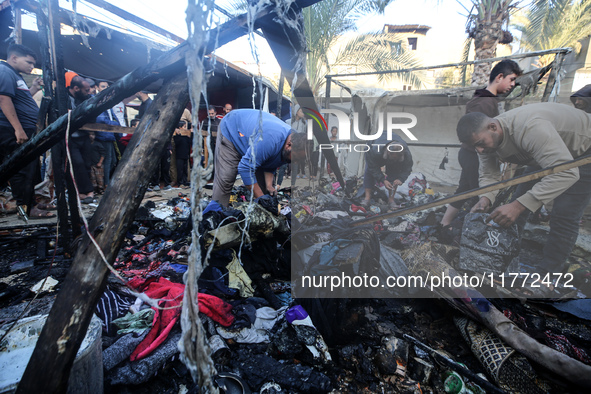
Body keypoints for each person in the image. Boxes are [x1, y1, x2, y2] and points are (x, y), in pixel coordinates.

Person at [456, 102, 591, 280]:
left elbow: (566, 173)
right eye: (476, 146)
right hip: (540, 155)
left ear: (493, 127)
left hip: (583, 152)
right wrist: (485, 198)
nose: (480, 150)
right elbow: (489, 174)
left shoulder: (530, 129)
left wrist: (518, 206)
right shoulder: (486, 139)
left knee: (563, 216)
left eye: (481, 144)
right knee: (514, 211)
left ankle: (547, 277)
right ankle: (506, 264)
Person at [441, 59, 522, 226]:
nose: (512, 84)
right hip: (475, 155)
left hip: (470, 154)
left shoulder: (484, 98)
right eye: (511, 79)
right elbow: (479, 136)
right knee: (480, 194)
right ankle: (473, 230)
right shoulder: (485, 102)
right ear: (500, 77)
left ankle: (445, 223)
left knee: (465, 189)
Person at [209, 109, 306, 207]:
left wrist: (269, 186)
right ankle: (214, 215)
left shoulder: (296, 141)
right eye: (296, 158)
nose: (296, 162)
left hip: (254, 141)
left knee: (264, 188)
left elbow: (272, 160)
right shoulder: (271, 139)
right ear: (289, 145)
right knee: (226, 179)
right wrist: (261, 197)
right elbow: (245, 168)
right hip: (233, 129)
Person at [0, 44, 54, 218]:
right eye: (29, 62)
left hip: (24, 129)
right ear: (14, 58)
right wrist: (18, 129)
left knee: (30, 168)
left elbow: (19, 100)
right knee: (20, 169)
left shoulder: (16, 76)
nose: (31, 67)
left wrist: (34, 89)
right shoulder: (5, 71)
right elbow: (3, 99)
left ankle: (32, 203)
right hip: (12, 130)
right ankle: (26, 208)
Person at [361, 133, 413, 210]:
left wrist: (401, 179)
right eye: (393, 158)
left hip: (389, 144)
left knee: (394, 174)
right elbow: (373, 168)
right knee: (369, 172)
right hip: (372, 146)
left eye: (397, 158)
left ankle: (391, 200)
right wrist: (383, 180)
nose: (394, 160)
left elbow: (407, 168)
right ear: (388, 153)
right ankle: (367, 198)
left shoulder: (406, 153)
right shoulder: (375, 151)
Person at [67, 75, 95, 203]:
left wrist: (91, 131)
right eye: (86, 90)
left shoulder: (85, 98)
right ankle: (83, 191)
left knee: (87, 163)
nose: (89, 93)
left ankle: (88, 190)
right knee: (77, 163)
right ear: (76, 88)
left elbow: (91, 115)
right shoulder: (63, 98)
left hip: (84, 135)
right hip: (70, 137)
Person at [173, 120, 192, 188]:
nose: (185, 128)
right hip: (179, 154)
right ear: (180, 127)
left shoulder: (186, 136)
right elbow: (177, 143)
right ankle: (180, 182)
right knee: (180, 169)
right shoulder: (177, 136)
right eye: (184, 126)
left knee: (185, 169)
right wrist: (179, 134)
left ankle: (185, 181)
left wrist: (189, 136)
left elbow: (189, 143)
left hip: (185, 154)